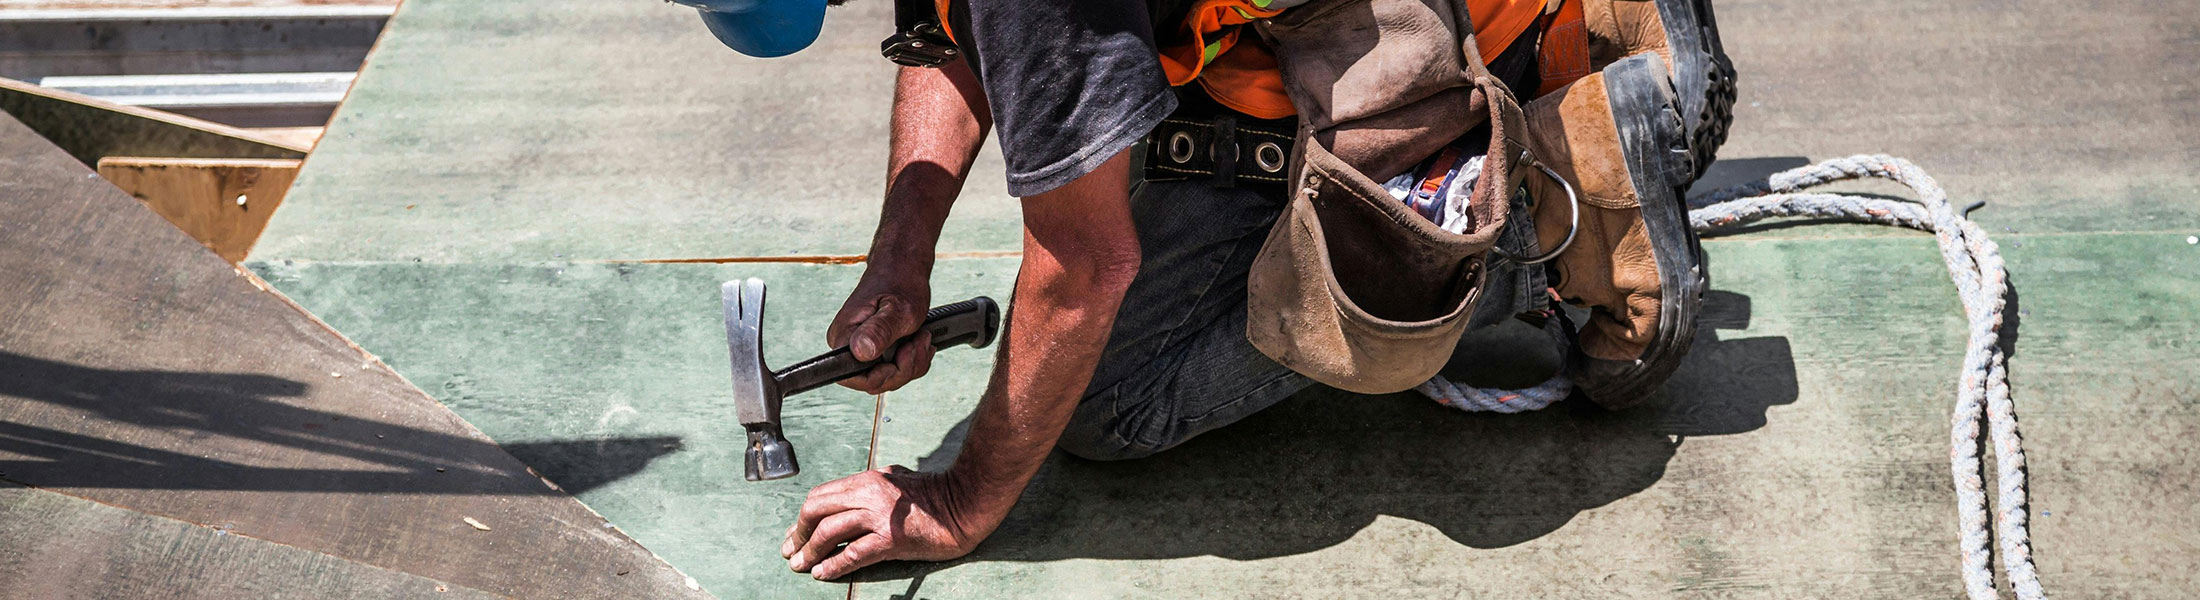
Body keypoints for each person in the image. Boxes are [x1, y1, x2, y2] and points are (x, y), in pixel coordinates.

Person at [670, 0, 1734, 580]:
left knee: (1107, 404)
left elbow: (1085, 269)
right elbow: (946, 33)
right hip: (1332, 28)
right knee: (1118, 138)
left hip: (1434, 37)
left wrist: (956, 501)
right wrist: (900, 259)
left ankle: (1554, 208)